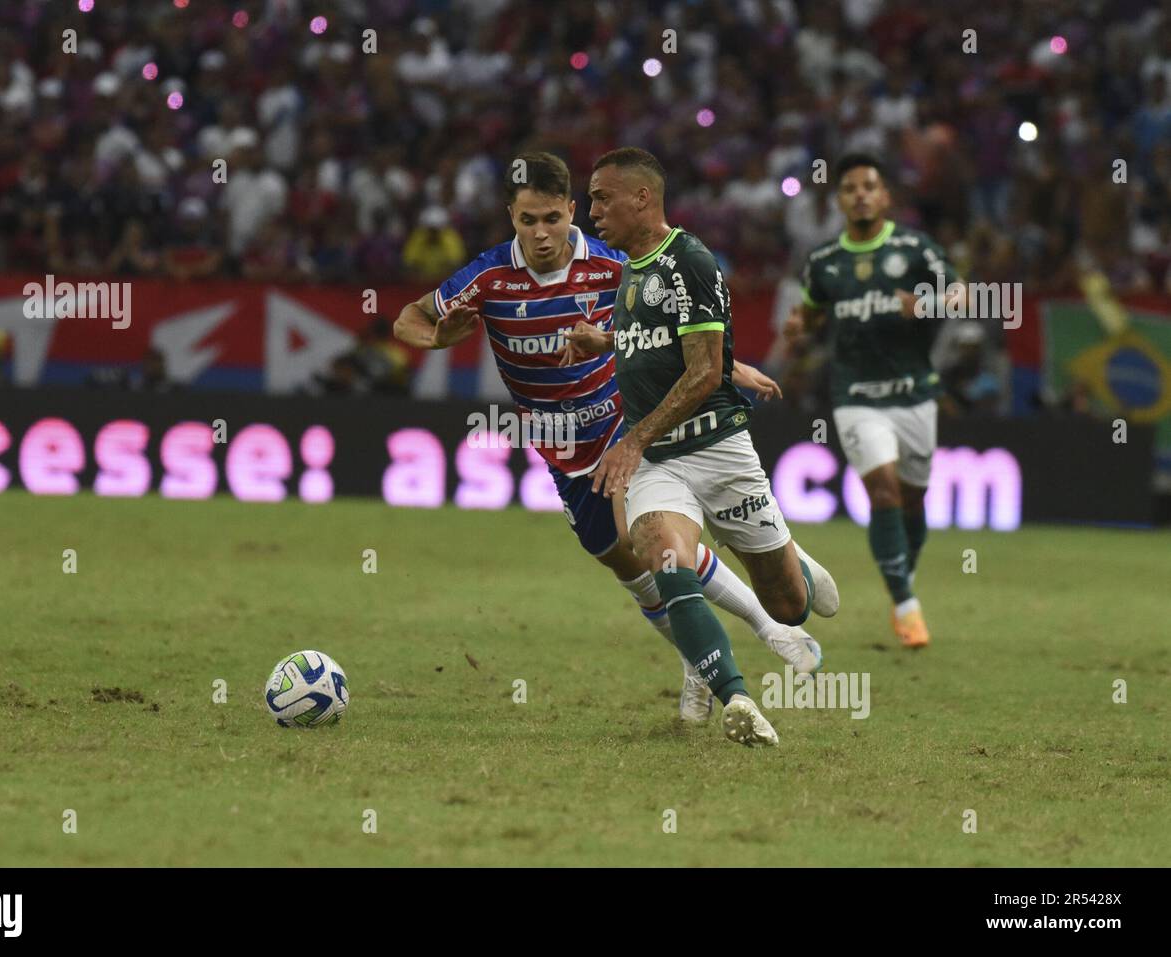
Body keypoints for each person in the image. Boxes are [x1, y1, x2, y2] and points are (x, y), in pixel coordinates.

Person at [394, 151, 821, 727]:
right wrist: (437, 339)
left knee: (651, 542)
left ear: (571, 210)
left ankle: (772, 625)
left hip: (624, 423)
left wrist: (731, 367)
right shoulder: (488, 276)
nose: (542, 234)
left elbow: (681, 322)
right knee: (629, 570)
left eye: (552, 218)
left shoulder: (612, 264)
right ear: (511, 219)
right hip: (560, 448)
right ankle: (702, 657)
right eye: (528, 221)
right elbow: (408, 320)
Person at [573, 147, 841, 746]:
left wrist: (633, 437)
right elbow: (657, 344)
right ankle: (738, 699)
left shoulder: (690, 261)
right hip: (660, 464)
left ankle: (792, 556)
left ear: (643, 197)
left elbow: (700, 372)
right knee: (665, 560)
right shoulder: (632, 271)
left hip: (719, 450)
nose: (592, 210)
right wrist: (605, 341)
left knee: (791, 604)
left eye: (600, 196)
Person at [786, 154, 966, 649]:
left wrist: (925, 304)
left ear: (885, 196)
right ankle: (907, 607)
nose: (860, 194)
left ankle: (899, 577)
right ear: (840, 199)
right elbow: (813, 314)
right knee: (883, 491)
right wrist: (802, 328)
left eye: (870, 186)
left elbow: (961, 295)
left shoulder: (913, 248)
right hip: (855, 395)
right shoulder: (824, 262)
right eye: (850, 188)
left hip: (914, 394)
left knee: (912, 499)